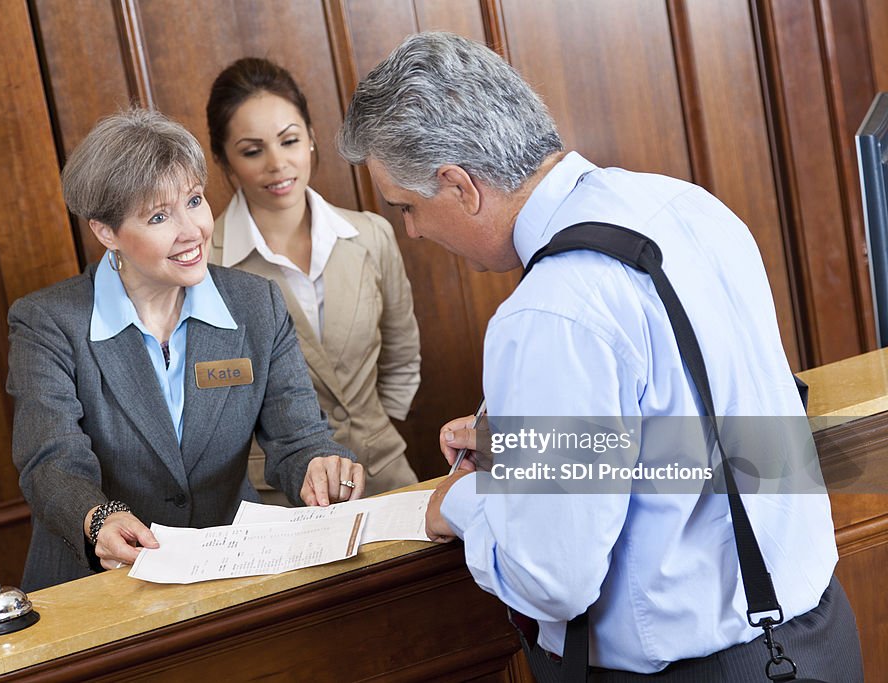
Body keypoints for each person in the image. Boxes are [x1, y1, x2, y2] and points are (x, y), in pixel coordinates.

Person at [337, 31, 862, 681]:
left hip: (700, 668)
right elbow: (731, 434)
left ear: (460, 185)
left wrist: (463, 501)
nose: (411, 230)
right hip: (817, 635)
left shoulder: (550, 310)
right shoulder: (688, 207)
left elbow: (552, 579)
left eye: (407, 207)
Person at [7, 108, 364, 592]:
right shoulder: (48, 322)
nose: (191, 230)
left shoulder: (255, 304)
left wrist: (321, 466)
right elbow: (51, 461)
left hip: (225, 579)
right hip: (96, 584)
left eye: (194, 201)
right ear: (106, 232)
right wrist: (97, 520)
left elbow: (298, 439)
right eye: (158, 216)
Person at [205, 57, 421, 499]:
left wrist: (371, 432)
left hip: (384, 475)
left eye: (289, 141)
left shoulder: (370, 234)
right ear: (224, 161)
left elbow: (402, 356)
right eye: (252, 150)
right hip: (279, 498)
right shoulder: (207, 265)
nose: (277, 163)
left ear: (311, 139)